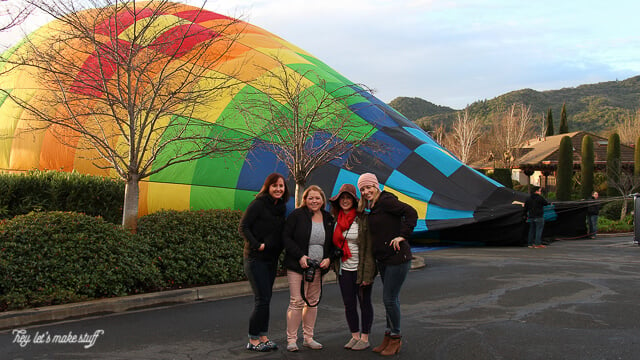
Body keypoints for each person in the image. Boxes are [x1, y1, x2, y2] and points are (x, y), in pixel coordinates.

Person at [357, 173, 417, 356]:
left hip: (397, 258)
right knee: (391, 299)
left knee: (389, 299)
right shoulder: (373, 206)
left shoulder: (386, 201)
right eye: (363, 189)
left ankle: (396, 337)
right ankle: (388, 335)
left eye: (369, 187)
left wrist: (403, 235)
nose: (366, 191)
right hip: (384, 258)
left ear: (376, 186)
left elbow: (411, 212)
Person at [239, 173, 290, 352]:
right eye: (274, 185)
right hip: (255, 259)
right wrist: (257, 245)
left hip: (271, 259)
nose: (278, 189)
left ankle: (263, 336)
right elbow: (243, 226)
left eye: (281, 186)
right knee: (261, 299)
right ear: (268, 187)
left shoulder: (281, 207)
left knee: (266, 299)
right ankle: (253, 339)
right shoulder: (258, 204)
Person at [282, 185, 336, 352]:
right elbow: (286, 237)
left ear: (323, 200)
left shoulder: (328, 218)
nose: (314, 201)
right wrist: (300, 256)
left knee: (312, 303)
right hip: (298, 266)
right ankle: (291, 340)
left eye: (317, 198)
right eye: (310, 198)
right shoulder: (297, 215)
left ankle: (308, 338)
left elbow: (334, 243)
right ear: (304, 199)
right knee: (296, 301)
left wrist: (329, 259)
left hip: (319, 267)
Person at [329, 183, 376, 351]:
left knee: (364, 303)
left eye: (348, 198)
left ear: (354, 200)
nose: (345, 201)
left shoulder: (363, 219)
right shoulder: (335, 219)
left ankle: (365, 338)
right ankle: (354, 335)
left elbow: (370, 248)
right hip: (344, 269)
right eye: (342, 198)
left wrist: (368, 274)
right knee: (349, 303)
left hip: (361, 268)